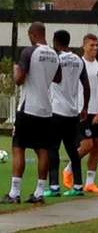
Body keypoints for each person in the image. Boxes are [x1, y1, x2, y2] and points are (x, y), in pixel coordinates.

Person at [1, 22, 60, 204]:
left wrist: (18, 70)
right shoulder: (54, 55)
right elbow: (58, 78)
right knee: (43, 150)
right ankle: (39, 192)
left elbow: (19, 80)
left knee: (18, 147)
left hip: (28, 108)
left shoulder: (28, 52)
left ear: (32, 34)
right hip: (46, 110)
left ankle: (14, 192)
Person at [43, 30, 90, 197]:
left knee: (52, 149)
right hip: (72, 112)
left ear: (55, 42)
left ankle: (54, 187)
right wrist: (84, 107)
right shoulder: (78, 60)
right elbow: (86, 85)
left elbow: (54, 79)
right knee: (72, 150)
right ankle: (78, 186)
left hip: (56, 110)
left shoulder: (57, 58)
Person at [63, 33, 98, 193]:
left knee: (96, 147)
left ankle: (90, 182)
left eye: (97, 45)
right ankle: (68, 169)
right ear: (84, 46)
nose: (94, 48)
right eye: (91, 45)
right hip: (82, 110)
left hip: (97, 111)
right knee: (87, 145)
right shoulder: (78, 64)